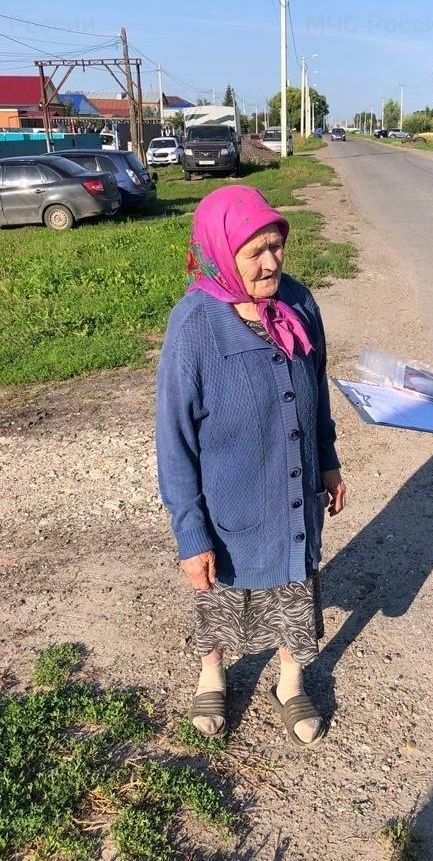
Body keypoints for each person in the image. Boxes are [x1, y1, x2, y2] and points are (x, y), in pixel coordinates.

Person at [156, 185, 346, 746]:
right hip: (229, 501)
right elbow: (173, 438)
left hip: (293, 489)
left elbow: (317, 394)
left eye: (277, 245)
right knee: (218, 592)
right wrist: (190, 534)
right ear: (220, 253)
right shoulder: (194, 325)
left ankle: (290, 682)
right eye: (254, 251)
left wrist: (329, 462)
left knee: (294, 582)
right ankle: (211, 674)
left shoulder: (299, 303)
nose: (271, 262)